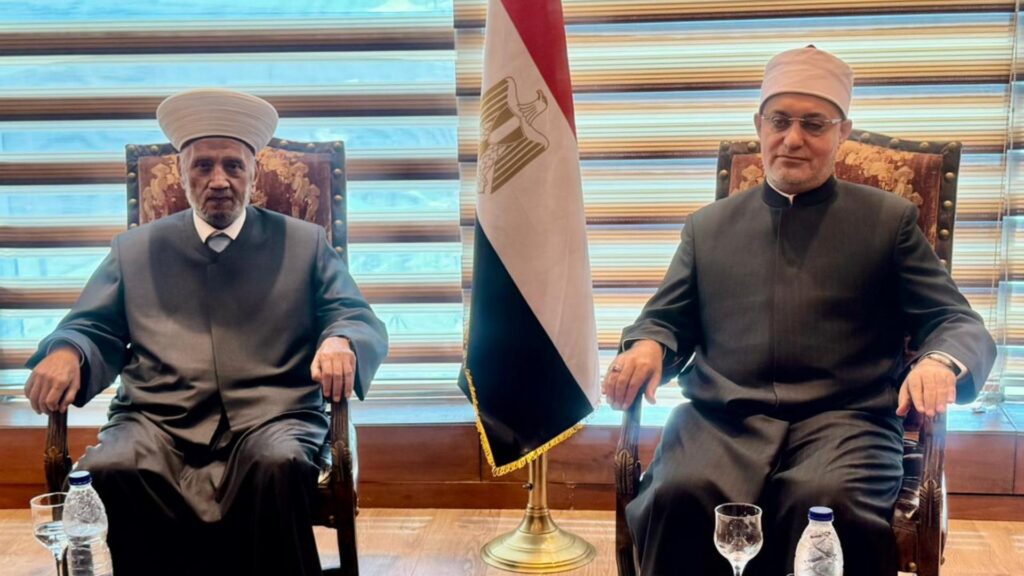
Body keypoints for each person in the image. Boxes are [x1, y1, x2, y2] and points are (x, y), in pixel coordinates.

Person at [603, 46, 996, 576]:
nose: (792, 138)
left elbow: (956, 320)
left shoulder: (889, 222)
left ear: (842, 132)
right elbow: (665, 318)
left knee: (824, 501)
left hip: (847, 422)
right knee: (679, 491)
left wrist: (940, 362)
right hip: (721, 420)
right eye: (779, 121)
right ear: (759, 125)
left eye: (814, 124)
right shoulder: (707, 228)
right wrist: (648, 345)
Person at [23, 88, 388, 576]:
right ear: (181, 173)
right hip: (157, 418)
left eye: (233, 166)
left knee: (278, 463)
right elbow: (94, 327)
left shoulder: (305, 244)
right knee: (113, 467)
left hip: (274, 414)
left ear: (254, 173)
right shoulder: (134, 250)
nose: (219, 180)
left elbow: (354, 315)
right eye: (203, 166)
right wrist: (69, 351)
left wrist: (340, 340)